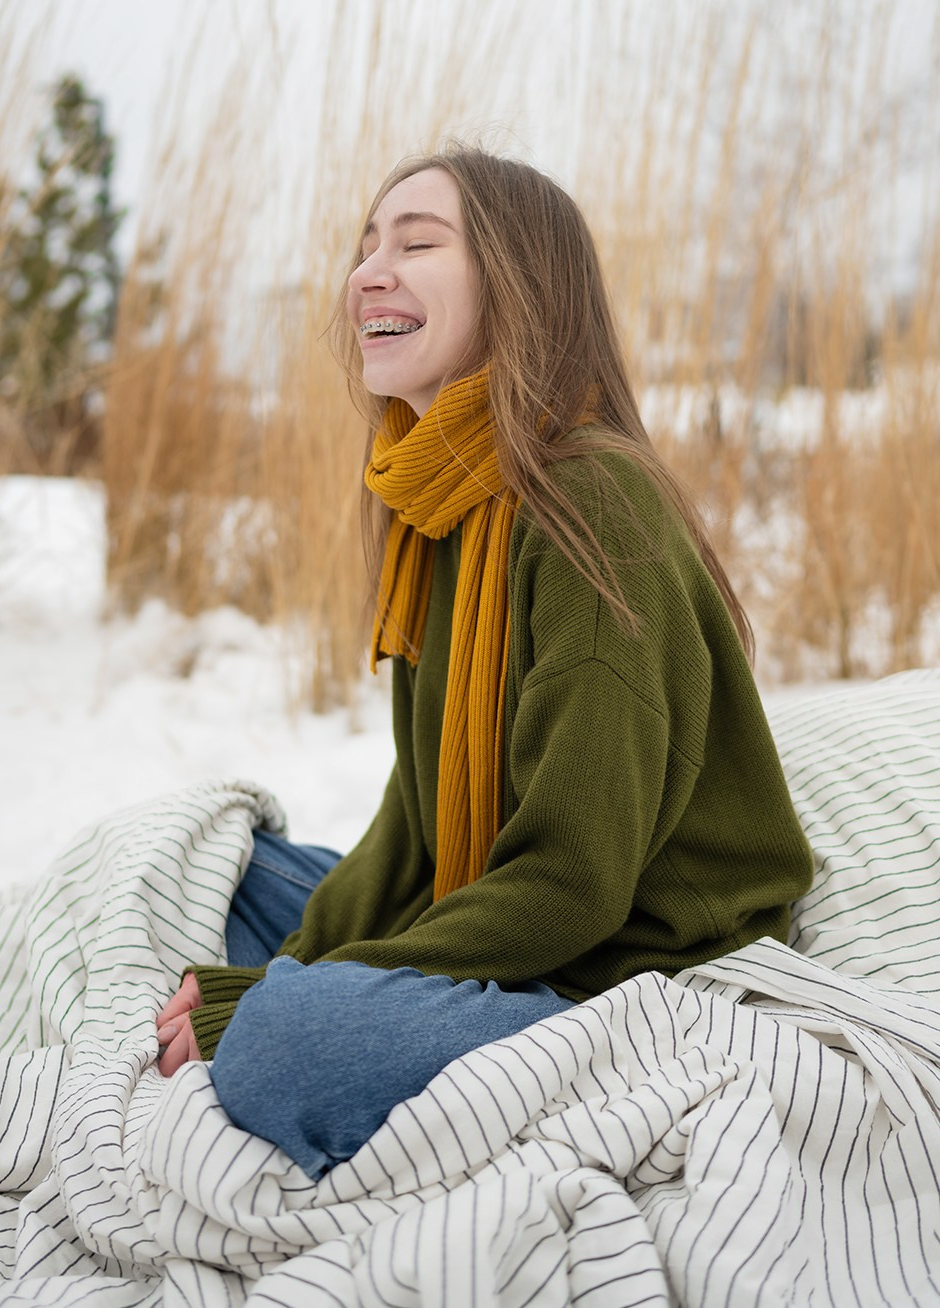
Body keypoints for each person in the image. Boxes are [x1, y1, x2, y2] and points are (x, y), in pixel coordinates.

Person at [155, 146, 813, 1180]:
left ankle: (294, 1018)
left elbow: (571, 884)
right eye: (366, 246)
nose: (369, 272)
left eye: (417, 244)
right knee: (222, 869)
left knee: (290, 1047)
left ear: (520, 290)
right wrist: (290, 963)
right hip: (505, 905)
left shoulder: (590, 503)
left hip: (632, 969)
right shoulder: (444, 507)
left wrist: (278, 1003)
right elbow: (414, 827)